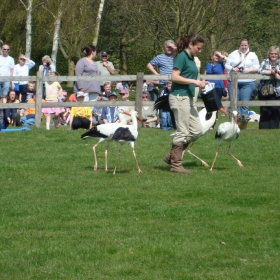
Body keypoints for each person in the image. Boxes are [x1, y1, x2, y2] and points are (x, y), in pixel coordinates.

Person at [163, 34, 208, 174]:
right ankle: (176, 165)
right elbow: (174, 77)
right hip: (179, 97)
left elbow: (188, 75)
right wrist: (195, 82)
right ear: (190, 45)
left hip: (188, 98)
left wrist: (200, 83)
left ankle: (171, 156)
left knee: (197, 130)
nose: (199, 51)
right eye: (198, 48)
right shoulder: (182, 57)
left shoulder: (190, 58)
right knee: (182, 131)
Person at [225, 38, 260, 115]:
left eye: (245, 45)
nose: (244, 47)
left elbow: (257, 68)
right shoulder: (233, 54)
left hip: (248, 82)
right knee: (234, 104)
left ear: (248, 45)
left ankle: (242, 125)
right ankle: (233, 124)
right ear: (239, 45)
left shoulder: (252, 55)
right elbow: (227, 65)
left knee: (244, 105)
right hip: (234, 81)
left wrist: (248, 70)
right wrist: (233, 69)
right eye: (242, 45)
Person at [258, 46, 280, 129]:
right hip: (265, 89)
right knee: (265, 109)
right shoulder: (265, 61)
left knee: (275, 109)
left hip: (277, 90)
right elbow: (260, 70)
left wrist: (277, 72)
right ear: (269, 54)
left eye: (275, 53)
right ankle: (264, 128)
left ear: (278, 54)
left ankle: (274, 128)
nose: (273, 55)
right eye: (271, 53)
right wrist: (271, 72)